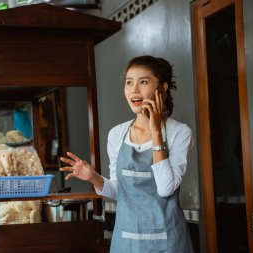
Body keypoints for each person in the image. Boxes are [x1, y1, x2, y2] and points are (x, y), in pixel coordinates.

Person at [60, 55, 194, 252]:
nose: (134, 90)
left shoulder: (179, 133)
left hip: (168, 241)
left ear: (163, 88)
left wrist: (156, 131)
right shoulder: (117, 134)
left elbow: (166, 188)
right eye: (129, 83)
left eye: (143, 82)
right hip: (126, 241)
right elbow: (118, 192)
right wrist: (93, 177)